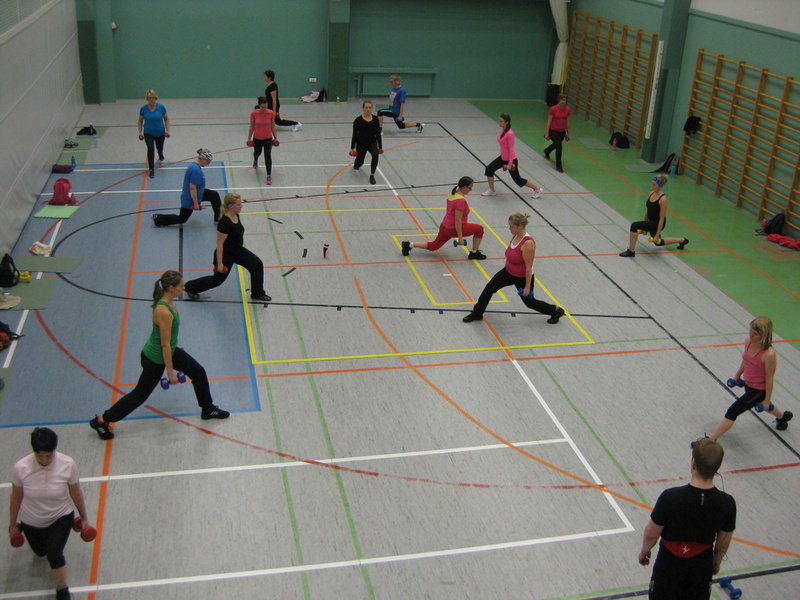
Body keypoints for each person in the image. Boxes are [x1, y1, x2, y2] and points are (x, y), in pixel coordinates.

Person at [89, 271, 229, 440]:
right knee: (140, 395)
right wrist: (170, 372)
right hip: (155, 358)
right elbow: (164, 345)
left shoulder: (168, 301)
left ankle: (207, 409)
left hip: (169, 350)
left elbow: (168, 342)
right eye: (181, 286)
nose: (184, 288)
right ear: (170, 288)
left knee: (198, 372)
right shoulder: (164, 311)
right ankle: (102, 420)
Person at [638, 438, 736, 600]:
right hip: (701, 564)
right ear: (717, 467)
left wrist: (645, 551)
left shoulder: (670, 497)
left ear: (693, 462)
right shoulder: (727, 502)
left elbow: (651, 533)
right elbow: (723, 541)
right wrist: (716, 562)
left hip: (670, 563)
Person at [9, 427, 92, 600]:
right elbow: (16, 496)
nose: (44, 460)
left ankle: (62, 590)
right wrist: (12, 524)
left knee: (54, 554)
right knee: (41, 552)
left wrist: (84, 517)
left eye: (49, 455)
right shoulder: (21, 467)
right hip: (31, 519)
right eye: (40, 456)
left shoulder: (67, 464)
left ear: (55, 450)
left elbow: (76, 492)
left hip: (61, 516)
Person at [462, 213, 565, 324]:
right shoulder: (515, 236)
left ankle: (556, 311)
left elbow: (529, 267)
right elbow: (511, 255)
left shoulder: (528, 243)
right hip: (508, 272)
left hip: (522, 277)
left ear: (520, 226)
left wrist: (527, 288)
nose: (509, 228)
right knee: (489, 288)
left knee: (530, 303)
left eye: (511, 226)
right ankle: (477, 313)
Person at [702, 316, 792, 441]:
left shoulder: (768, 354)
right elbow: (746, 360)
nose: (751, 335)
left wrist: (766, 400)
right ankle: (783, 417)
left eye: (755, 334)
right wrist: (737, 375)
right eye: (750, 331)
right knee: (761, 404)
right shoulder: (748, 341)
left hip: (759, 390)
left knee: (733, 411)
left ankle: (710, 439)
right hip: (748, 384)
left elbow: (769, 379)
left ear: (764, 335)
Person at [184, 193, 271, 302]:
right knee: (217, 280)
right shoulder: (224, 222)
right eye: (238, 204)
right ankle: (190, 287)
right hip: (226, 255)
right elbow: (220, 244)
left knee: (257, 265)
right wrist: (220, 263)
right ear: (231, 206)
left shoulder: (236, 215)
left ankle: (257, 293)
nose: (241, 206)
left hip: (238, 251)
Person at [401, 177, 486, 260]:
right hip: (453, 228)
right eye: (470, 188)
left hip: (445, 226)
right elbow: (457, 220)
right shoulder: (461, 201)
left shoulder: (452, 194)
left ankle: (409, 245)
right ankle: (474, 253)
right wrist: (460, 238)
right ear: (464, 187)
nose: (470, 190)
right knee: (479, 229)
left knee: (434, 246)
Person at [619, 174, 688, 257]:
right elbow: (648, 210)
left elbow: (661, 218)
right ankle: (682, 240)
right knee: (658, 242)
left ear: (659, 185)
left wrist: (657, 234)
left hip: (657, 223)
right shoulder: (651, 193)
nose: (652, 186)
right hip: (651, 221)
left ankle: (631, 251)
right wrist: (644, 224)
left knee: (634, 225)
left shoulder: (663, 199)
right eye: (652, 184)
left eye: (654, 184)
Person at [152, 149, 221, 227]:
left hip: (199, 193)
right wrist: (196, 204)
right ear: (203, 159)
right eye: (208, 162)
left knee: (214, 195)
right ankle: (158, 218)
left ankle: (218, 218)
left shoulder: (194, 166)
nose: (208, 164)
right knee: (182, 219)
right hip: (190, 198)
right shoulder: (196, 170)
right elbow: (192, 188)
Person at [481, 113, 543, 199]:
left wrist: (510, 163)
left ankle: (537, 189)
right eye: (499, 121)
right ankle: (492, 190)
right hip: (503, 158)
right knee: (489, 169)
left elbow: (510, 149)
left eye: (501, 121)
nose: (499, 123)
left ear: (506, 122)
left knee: (518, 180)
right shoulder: (503, 130)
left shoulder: (510, 133)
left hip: (511, 160)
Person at [137, 89, 170, 179]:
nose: (151, 99)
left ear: (155, 98)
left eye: (152, 98)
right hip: (148, 132)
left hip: (160, 132)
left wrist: (168, 130)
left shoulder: (161, 107)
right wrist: (140, 132)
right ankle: (151, 169)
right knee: (151, 149)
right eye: (149, 98)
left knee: (159, 148)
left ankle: (160, 153)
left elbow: (166, 119)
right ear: (147, 99)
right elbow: (140, 121)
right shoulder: (143, 109)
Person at [350, 100, 383, 185]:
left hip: (372, 142)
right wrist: (352, 148)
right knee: (360, 162)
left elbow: (378, 134)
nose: (368, 109)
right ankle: (357, 163)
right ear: (363, 108)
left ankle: (372, 175)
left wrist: (380, 146)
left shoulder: (375, 119)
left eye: (370, 108)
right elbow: (354, 135)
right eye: (366, 108)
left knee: (375, 155)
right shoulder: (358, 120)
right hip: (361, 143)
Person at [247, 96, 279, 186]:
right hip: (257, 138)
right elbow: (252, 126)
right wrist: (249, 138)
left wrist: (275, 137)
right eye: (262, 107)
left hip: (267, 138)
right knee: (257, 152)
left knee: (267, 155)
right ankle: (255, 159)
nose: (264, 109)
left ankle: (269, 175)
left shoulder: (270, 113)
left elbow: (272, 126)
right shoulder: (254, 113)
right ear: (259, 106)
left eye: (266, 107)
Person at [543, 93, 571, 173]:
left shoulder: (568, 109)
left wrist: (568, 133)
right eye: (562, 100)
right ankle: (559, 166)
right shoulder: (553, 109)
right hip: (553, 131)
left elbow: (567, 121)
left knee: (556, 144)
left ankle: (547, 151)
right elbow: (549, 121)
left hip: (562, 132)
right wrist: (547, 133)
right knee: (559, 146)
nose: (564, 102)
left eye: (565, 100)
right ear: (559, 100)